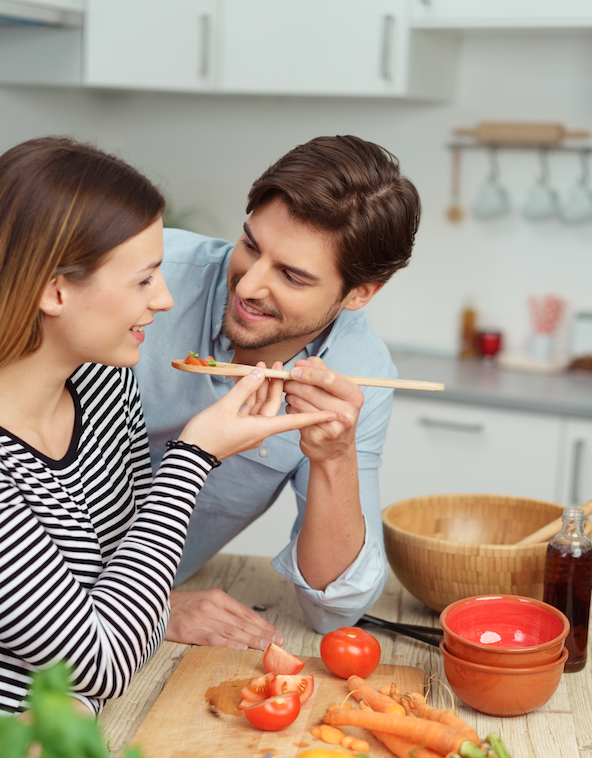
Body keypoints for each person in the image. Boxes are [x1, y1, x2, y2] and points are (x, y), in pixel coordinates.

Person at [0, 136, 334, 716]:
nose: (165, 299)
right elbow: (103, 661)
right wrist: (194, 456)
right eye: (143, 280)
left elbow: (116, 583)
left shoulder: (103, 385)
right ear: (55, 289)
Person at [135, 135, 421, 647]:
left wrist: (334, 458)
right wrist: (152, 609)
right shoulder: (147, 277)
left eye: (291, 275)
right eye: (250, 245)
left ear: (359, 293)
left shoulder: (359, 373)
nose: (246, 286)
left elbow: (335, 610)